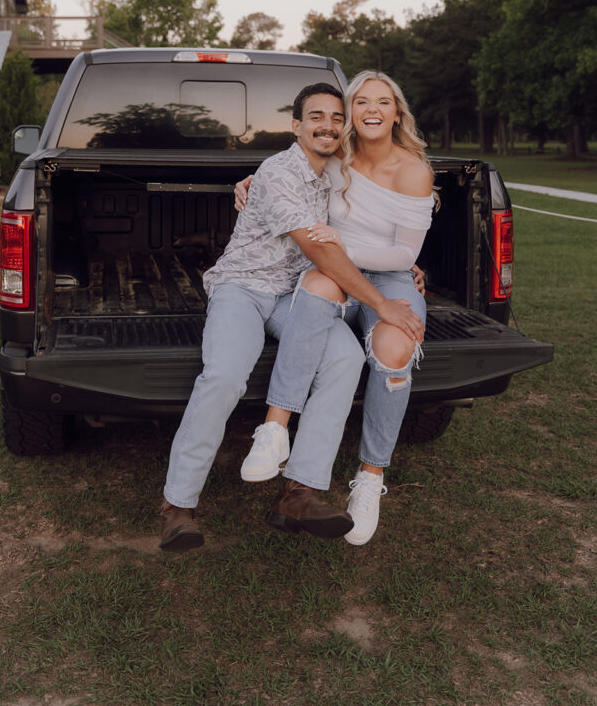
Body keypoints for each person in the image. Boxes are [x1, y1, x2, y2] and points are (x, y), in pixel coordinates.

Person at [160, 82, 425, 553]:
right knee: (223, 376)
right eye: (316, 117)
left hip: (297, 295)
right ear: (296, 126)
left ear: (343, 128)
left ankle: (298, 493)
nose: (327, 125)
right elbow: (320, 249)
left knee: (345, 359)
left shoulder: (338, 175)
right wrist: (382, 304)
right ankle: (178, 506)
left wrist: (404, 263)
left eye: (335, 117)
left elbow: (362, 227)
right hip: (244, 288)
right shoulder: (279, 171)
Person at [236, 70, 435, 547]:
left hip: (388, 275)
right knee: (319, 279)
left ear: (396, 113)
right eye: (361, 101)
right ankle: (274, 429)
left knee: (393, 348)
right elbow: (287, 172)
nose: (371, 110)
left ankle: (369, 479)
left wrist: (340, 248)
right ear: (350, 113)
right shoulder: (334, 156)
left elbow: (404, 258)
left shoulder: (412, 170)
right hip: (332, 270)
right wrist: (250, 182)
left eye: (382, 102)